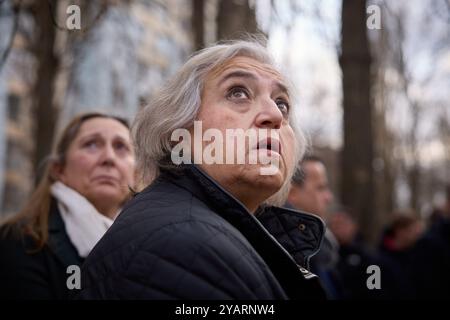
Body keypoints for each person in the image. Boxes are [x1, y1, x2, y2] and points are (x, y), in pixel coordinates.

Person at [76, 40, 327, 300]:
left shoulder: (202, 235)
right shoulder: (181, 247)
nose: (274, 115)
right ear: (179, 132)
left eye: (282, 103)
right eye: (238, 92)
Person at [0, 112, 136, 299]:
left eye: (121, 146)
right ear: (59, 170)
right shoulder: (19, 241)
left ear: (135, 175)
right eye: (92, 144)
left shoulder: (154, 244)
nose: (109, 158)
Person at [287, 156, 343, 299]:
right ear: (292, 193)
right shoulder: (290, 249)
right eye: (320, 188)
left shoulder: (316, 241)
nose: (329, 197)